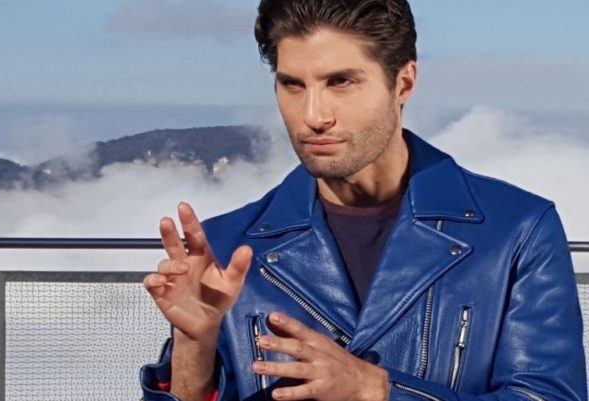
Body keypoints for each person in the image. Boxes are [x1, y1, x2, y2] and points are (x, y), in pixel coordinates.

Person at [140, 1, 586, 400]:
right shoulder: (226, 247)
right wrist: (193, 347)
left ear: (403, 83)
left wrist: (376, 390)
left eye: (341, 82)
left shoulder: (516, 231)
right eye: (292, 85)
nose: (313, 116)